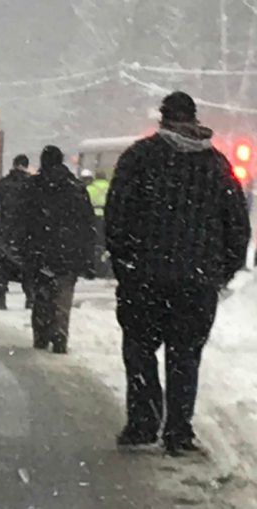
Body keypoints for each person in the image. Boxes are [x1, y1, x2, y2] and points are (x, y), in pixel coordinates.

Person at [106, 92, 250, 456]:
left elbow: (116, 217)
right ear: (194, 119)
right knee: (185, 356)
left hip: (145, 278)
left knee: (139, 350)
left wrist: (126, 264)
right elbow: (237, 227)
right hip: (197, 283)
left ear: (163, 119)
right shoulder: (218, 166)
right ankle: (178, 431)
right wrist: (219, 271)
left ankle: (143, 423)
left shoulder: (138, 159)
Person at [14, 146, 95, 354]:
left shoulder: (32, 187)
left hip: (39, 252)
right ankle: (60, 332)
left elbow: (21, 220)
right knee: (63, 295)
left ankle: (41, 333)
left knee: (42, 294)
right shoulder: (75, 188)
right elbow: (87, 224)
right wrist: (87, 255)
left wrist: (23, 248)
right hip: (68, 254)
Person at [0, 154, 33, 310]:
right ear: (26, 166)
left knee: (3, 264)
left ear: (13, 164)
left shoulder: (3, 184)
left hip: (6, 230)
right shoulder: (32, 184)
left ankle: (2, 296)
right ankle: (29, 297)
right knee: (27, 265)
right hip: (26, 231)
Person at [86, 170, 111, 277]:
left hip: (94, 217)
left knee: (95, 240)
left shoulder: (90, 189)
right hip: (107, 216)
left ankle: (96, 262)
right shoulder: (110, 187)